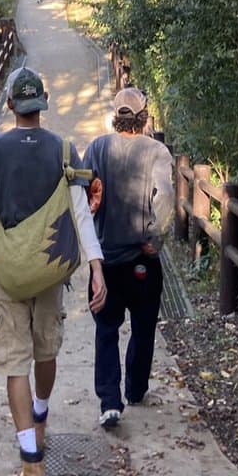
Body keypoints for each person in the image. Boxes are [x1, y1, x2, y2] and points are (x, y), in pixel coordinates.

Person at [0, 67, 107, 476]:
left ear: (11, 104)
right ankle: (42, 417)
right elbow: (80, 211)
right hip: (50, 269)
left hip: (8, 270)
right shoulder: (62, 149)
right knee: (45, 349)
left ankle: (32, 469)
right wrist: (97, 268)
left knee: (15, 361)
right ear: (44, 102)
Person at [82, 87, 174, 429]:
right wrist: (156, 238)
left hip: (104, 261)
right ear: (145, 118)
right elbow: (163, 198)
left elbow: (81, 192)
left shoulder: (97, 148)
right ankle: (135, 389)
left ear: (115, 116)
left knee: (106, 329)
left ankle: (109, 402)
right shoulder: (157, 152)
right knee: (144, 326)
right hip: (141, 259)